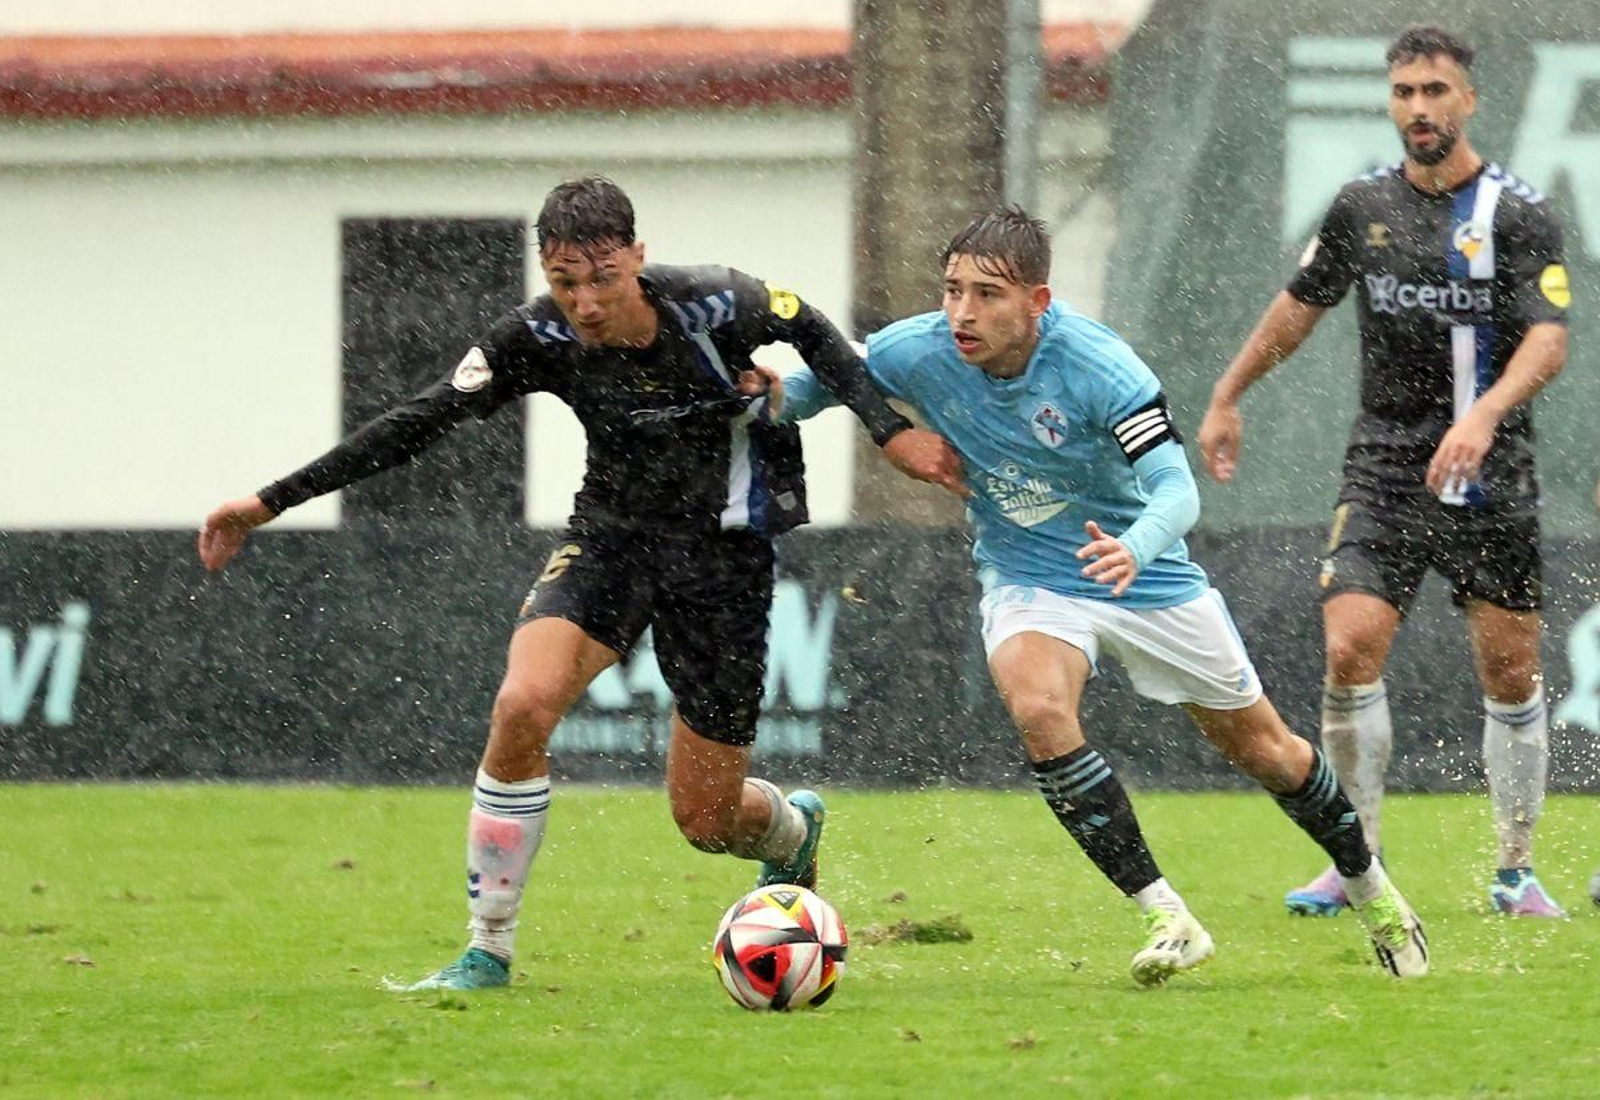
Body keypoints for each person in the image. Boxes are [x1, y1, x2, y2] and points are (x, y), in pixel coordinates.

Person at [197, 176, 964, 990]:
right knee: (521, 706)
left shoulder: (715, 302)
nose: (586, 301)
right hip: (611, 542)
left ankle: (788, 831)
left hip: (724, 559)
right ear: (545, 272)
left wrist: (888, 432)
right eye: (565, 281)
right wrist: (269, 501)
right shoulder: (533, 337)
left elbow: (810, 326)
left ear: (638, 256)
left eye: (603, 277)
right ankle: (487, 949)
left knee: (705, 822)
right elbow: (420, 420)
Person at [751, 207, 1430, 982]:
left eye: (988, 296)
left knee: (1268, 751)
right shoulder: (920, 348)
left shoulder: (1102, 367)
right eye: (952, 291)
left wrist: (1134, 546)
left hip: (1144, 574)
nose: (963, 314)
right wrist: (766, 394)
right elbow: (812, 386)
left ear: (1037, 303)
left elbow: (1178, 493)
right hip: (1029, 575)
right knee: (1039, 709)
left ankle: (1372, 889)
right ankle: (1167, 916)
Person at [1198, 26, 1571, 918]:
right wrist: (1228, 392)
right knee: (1348, 648)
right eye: (1404, 92)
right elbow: (1300, 307)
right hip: (1387, 466)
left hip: (1492, 472)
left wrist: (1481, 416)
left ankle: (1514, 870)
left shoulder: (1517, 213)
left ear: (1468, 100)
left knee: (1510, 676)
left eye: (1435, 91)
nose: (1419, 108)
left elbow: (1550, 342)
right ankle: (1355, 859)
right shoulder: (1362, 205)